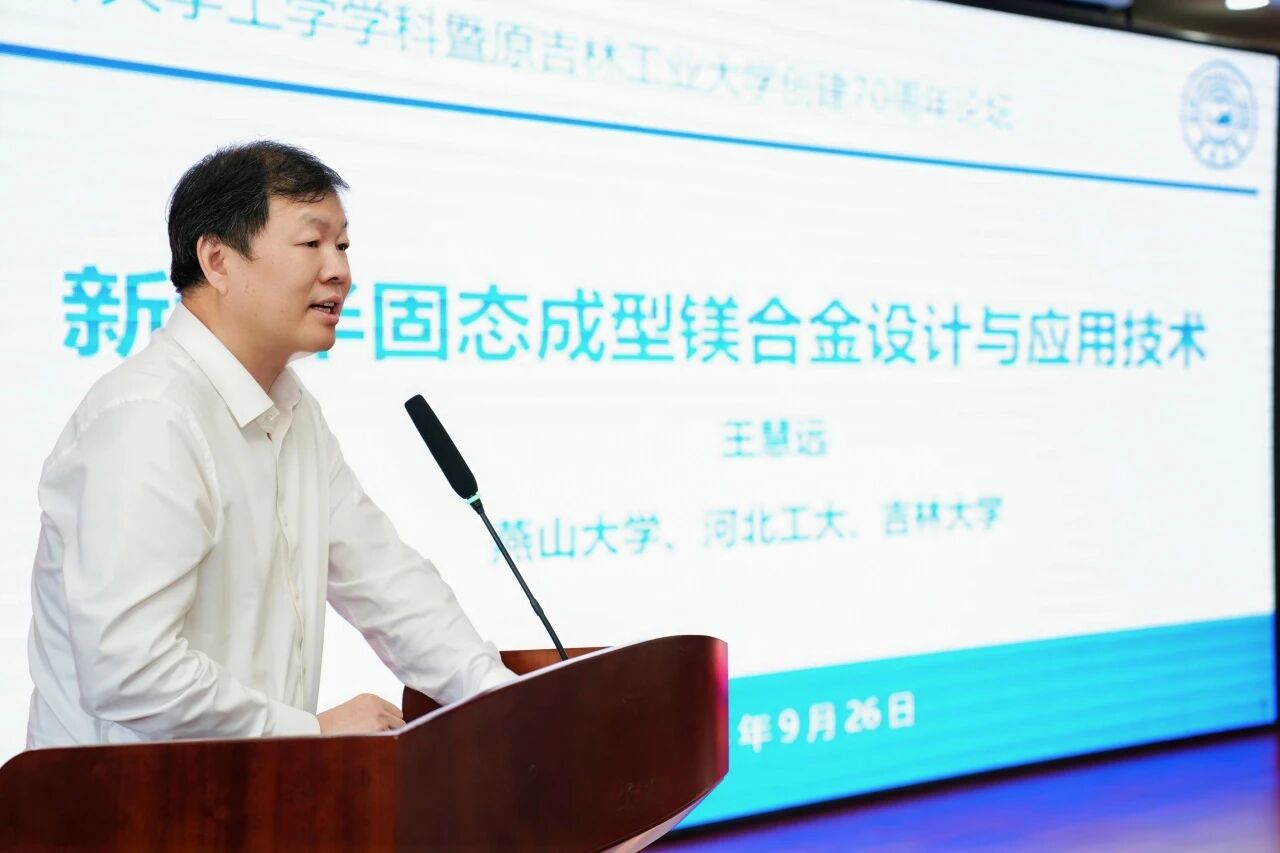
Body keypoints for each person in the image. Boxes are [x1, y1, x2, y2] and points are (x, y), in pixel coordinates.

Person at [26, 140, 516, 747]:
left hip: (252, 790)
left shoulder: (291, 410)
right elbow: (127, 668)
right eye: (312, 243)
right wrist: (309, 732)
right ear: (218, 260)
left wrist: (505, 700)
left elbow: (386, 581)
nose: (339, 271)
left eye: (343, 246)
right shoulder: (150, 417)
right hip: (121, 798)